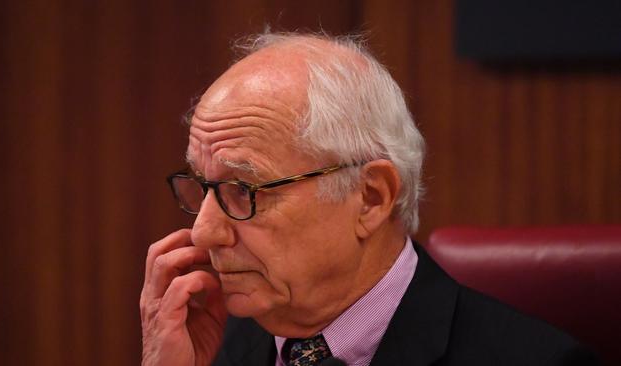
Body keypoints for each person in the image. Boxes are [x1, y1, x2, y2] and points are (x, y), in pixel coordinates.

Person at [140, 32, 596, 366]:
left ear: (371, 199)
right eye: (202, 187)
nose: (203, 232)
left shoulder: (535, 360)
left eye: (244, 190)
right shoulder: (211, 343)